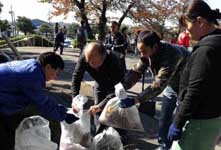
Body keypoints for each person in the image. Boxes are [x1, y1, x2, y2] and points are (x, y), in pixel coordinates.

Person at [118, 30, 190, 150]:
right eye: (139, 51)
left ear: (155, 47)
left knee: (179, 120)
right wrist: (121, 87)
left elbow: (158, 85)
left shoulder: (173, 54)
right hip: (170, 84)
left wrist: (136, 99)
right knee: (165, 116)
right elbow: (136, 72)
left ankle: (178, 146)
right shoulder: (147, 52)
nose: (142, 55)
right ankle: (163, 145)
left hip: (185, 85)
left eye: (143, 51)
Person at [167, 0, 221, 150]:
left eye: (187, 25)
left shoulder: (206, 50)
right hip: (212, 119)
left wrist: (178, 122)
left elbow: (195, 89)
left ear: (200, 22)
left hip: (196, 123)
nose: (186, 31)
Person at [0, 52, 79, 149]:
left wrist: (62, 111)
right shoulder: (33, 75)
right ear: (48, 67)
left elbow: (40, 98)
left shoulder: (32, 66)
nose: (55, 78)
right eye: (56, 73)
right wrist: (64, 115)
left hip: (4, 99)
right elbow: (43, 104)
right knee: (5, 140)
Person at [71, 41, 125, 132]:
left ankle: (120, 134)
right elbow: (77, 77)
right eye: (89, 62)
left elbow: (118, 88)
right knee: (97, 110)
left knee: (115, 109)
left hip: (115, 85)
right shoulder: (85, 57)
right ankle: (99, 134)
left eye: (94, 62)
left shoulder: (115, 60)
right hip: (99, 82)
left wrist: (102, 105)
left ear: (103, 57)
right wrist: (74, 98)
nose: (91, 66)